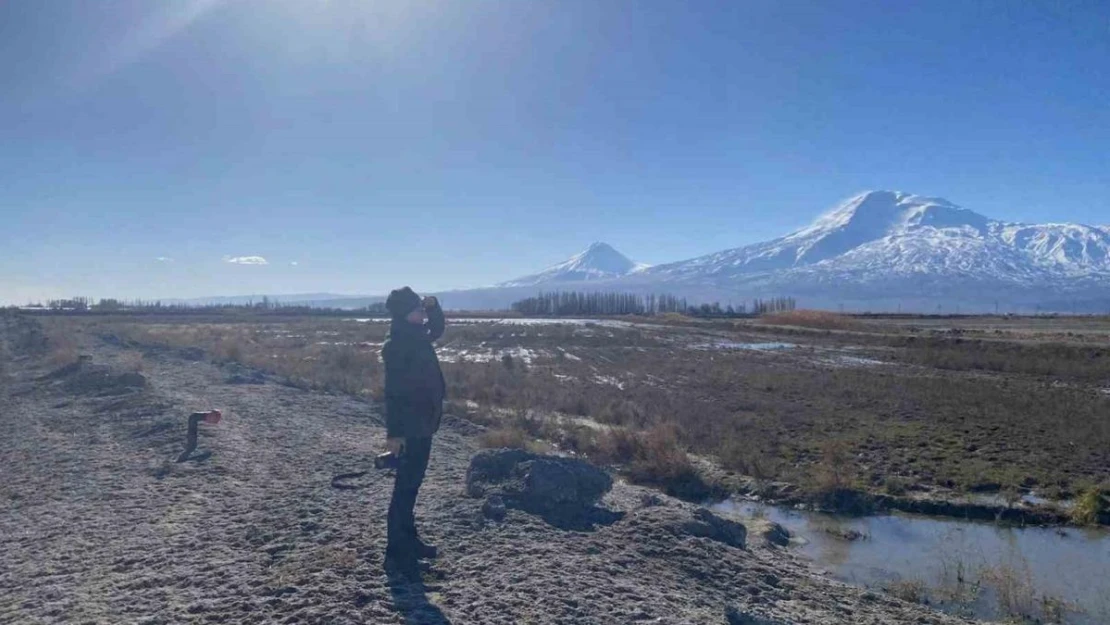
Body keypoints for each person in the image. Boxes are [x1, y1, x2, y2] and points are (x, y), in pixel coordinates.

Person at [381, 286, 446, 573]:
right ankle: (396, 552)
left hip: (423, 423)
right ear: (405, 314)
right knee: (404, 489)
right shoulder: (397, 345)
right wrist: (395, 434)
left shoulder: (415, 335)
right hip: (409, 427)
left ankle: (409, 540)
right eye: (418, 309)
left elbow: (437, 329)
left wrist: (434, 307)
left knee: (412, 487)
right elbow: (393, 393)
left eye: (422, 309)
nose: (422, 313)